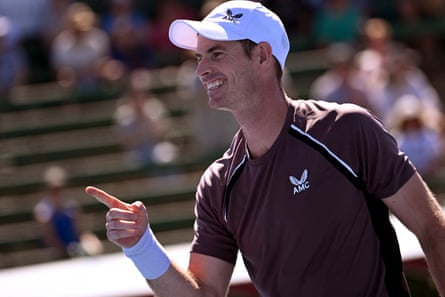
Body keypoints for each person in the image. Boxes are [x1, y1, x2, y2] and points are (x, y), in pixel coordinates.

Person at [85, 1, 445, 296]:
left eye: (216, 54)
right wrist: (141, 247)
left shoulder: (346, 129)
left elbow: (432, 228)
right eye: (200, 58)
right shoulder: (217, 185)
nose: (201, 71)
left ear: (261, 56)